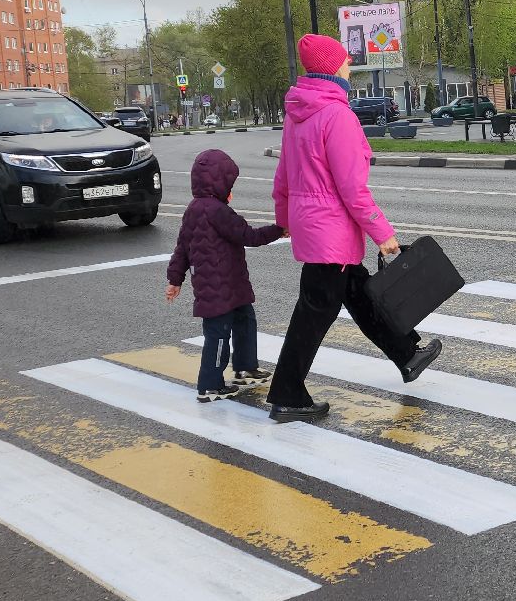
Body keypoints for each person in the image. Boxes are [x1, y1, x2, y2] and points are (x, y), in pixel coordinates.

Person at [268, 34, 442, 422]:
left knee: (362, 295)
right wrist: (383, 234)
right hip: (331, 234)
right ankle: (287, 394)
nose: (349, 66)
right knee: (312, 315)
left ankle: (407, 354)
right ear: (332, 68)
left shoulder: (299, 114)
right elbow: (352, 187)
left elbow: (283, 176)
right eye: (345, 61)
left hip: (318, 232)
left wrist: (285, 220)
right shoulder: (337, 115)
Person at [166, 148, 286, 401]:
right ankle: (210, 384)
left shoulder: (193, 209)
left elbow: (181, 248)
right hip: (218, 290)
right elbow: (248, 236)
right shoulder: (217, 211)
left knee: (244, 320)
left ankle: (245, 367)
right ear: (219, 183)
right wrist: (279, 230)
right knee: (219, 335)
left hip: (230, 286)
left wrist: (175, 279)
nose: (231, 189)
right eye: (229, 183)